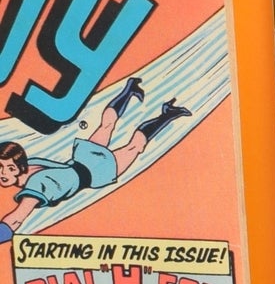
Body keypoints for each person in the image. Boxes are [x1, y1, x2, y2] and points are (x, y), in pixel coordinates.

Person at [0, 76, 190, 241]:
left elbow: (17, 218)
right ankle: (132, 90)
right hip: (82, 158)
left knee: (134, 147)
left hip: (96, 172)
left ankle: (166, 114)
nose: (3, 174)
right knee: (107, 126)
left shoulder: (35, 187)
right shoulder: (31, 165)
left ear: (20, 167)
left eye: (9, 168)